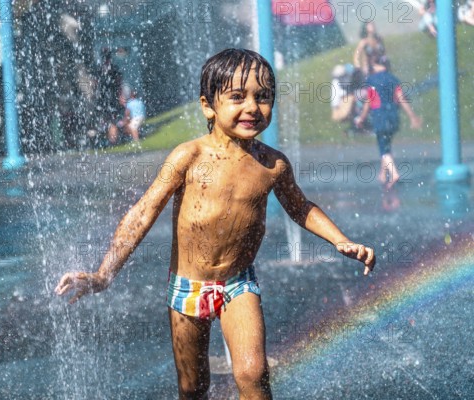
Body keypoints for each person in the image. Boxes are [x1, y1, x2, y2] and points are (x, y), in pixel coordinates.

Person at [55, 48, 376, 399]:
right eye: (237, 97)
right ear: (208, 105)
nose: (252, 107)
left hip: (238, 284)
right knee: (193, 387)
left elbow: (301, 208)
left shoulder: (273, 165)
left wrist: (339, 239)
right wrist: (104, 274)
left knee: (254, 374)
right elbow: (144, 211)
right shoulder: (189, 156)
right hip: (188, 286)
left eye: (263, 96)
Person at [354, 50, 422, 190]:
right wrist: (412, 117)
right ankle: (383, 175)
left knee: (383, 149)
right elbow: (402, 99)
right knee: (386, 145)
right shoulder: (392, 78)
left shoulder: (372, 80)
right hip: (393, 117)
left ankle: (394, 174)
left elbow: (368, 102)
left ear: (374, 64)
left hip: (380, 117)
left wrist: (361, 118)